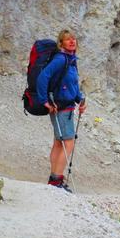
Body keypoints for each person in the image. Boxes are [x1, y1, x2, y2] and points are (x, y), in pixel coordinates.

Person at [36, 30, 86, 192]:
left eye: (73, 38)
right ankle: (57, 180)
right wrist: (44, 100)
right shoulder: (60, 59)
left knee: (58, 143)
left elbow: (72, 84)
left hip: (65, 104)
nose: (72, 41)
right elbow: (43, 77)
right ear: (61, 43)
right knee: (68, 142)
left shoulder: (70, 61)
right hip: (61, 106)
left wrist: (80, 100)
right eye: (67, 39)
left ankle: (53, 179)